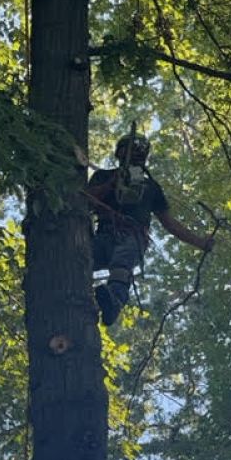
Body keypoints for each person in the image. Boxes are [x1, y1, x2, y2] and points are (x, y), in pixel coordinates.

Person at [86, 133, 214, 326]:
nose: (136, 156)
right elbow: (85, 201)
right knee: (80, 260)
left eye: (140, 153)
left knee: (122, 262)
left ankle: (115, 300)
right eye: (132, 151)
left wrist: (200, 242)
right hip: (103, 236)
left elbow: (169, 223)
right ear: (120, 153)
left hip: (131, 237)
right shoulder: (103, 176)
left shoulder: (151, 187)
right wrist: (111, 184)